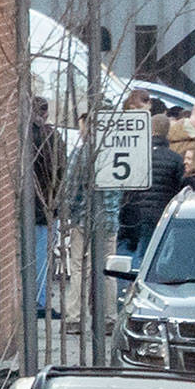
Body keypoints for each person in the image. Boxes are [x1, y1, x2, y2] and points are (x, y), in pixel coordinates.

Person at [61, 113, 121, 334]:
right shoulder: (117, 152)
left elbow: (71, 186)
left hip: (84, 219)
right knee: (108, 271)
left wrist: (67, 215)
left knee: (78, 268)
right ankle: (108, 318)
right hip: (109, 220)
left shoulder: (81, 153)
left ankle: (75, 318)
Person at [118, 114, 184, 263]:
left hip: (136, 212)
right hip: (161, 213)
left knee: (137, 255)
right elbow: (178, 188)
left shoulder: (136, 155)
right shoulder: (175, 159)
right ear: (167, 131)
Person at [31, 96, 66, 317]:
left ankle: (36, 299)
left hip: (28, 206)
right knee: (43, 257)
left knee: (32, 255)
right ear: (45, 113)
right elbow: (60, 172)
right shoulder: (51, 137)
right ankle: (40, 302)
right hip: (46, 206)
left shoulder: (22, 136)